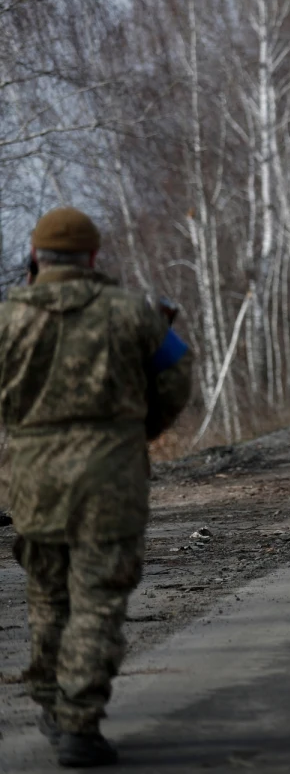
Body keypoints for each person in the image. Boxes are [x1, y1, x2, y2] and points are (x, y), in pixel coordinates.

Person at [1, 207, 193, 767]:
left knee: (46, 597)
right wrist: (141, 429)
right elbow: (177, 377)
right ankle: (80, 720)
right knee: (98, 601)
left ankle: (51, 702)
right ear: (92, 256)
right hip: (111, 479)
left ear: (36, 257)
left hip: (33, 483)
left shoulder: (8, 319)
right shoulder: (133, 312)